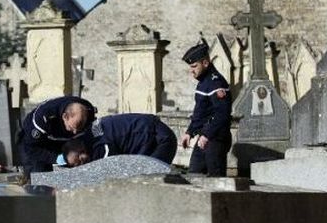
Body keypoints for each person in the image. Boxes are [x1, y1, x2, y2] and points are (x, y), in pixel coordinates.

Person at [180, 40, 232, 176]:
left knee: (216, 179)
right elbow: (201, 113)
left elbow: (223, 114)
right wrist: (190, 132)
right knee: (194, 173)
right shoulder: (204, 82)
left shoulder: (216, 83)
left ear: (205, 63)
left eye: (194, 66)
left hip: (216, 138)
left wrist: (207, 135)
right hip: (205, 136)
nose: (191, 71)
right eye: (190, 67)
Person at [18, 96, 97, 178]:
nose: (75, 131)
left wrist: (81, 150)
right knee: (39, 176)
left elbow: (91, 133)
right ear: (65, 117)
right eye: (73, 127)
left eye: (80, 127)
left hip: (60, 138)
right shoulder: (42, 120)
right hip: (36, 143)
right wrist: (57, 158)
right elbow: (31, 149)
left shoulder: (88, 111)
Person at [61, 113, 177, 167]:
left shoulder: (100, 148)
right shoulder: (89, 132)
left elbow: (110, 165)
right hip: (152, 129)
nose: (82, 165)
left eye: (79, 161)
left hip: (159, 138)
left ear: (81, 149)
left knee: (148, 176)